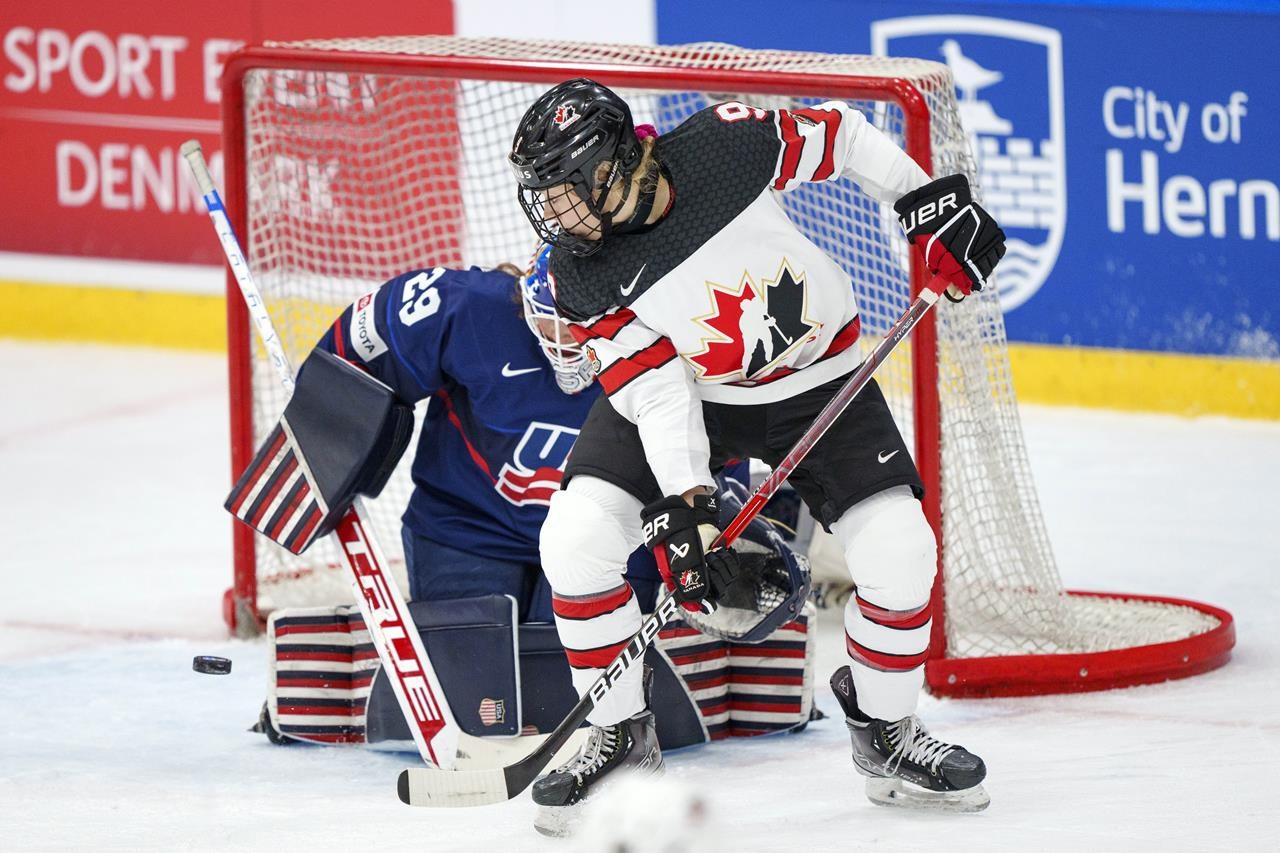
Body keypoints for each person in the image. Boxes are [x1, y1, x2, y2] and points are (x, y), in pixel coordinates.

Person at [508, 78, 1005, 820]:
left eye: (564, 191)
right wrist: (692, 503)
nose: (554, 215)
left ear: (609, 165)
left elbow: (841, 134)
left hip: (817, 377)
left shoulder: (723, 144)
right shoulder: (580, 273)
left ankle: (887, 728)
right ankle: (618, 736)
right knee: (575, 537)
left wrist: (924, 202)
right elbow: (659, 391)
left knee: (901, 549)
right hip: (688, 394)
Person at [248, 253, 816, 765]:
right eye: (547, 318)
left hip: (614, 541)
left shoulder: (667, 352)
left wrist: (728, 530)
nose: (563, 337)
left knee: (575, 682)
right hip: (466, 526)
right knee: (469, 682)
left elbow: (711, 461)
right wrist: (325, 435)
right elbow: (358, 345)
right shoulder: (467, 310)